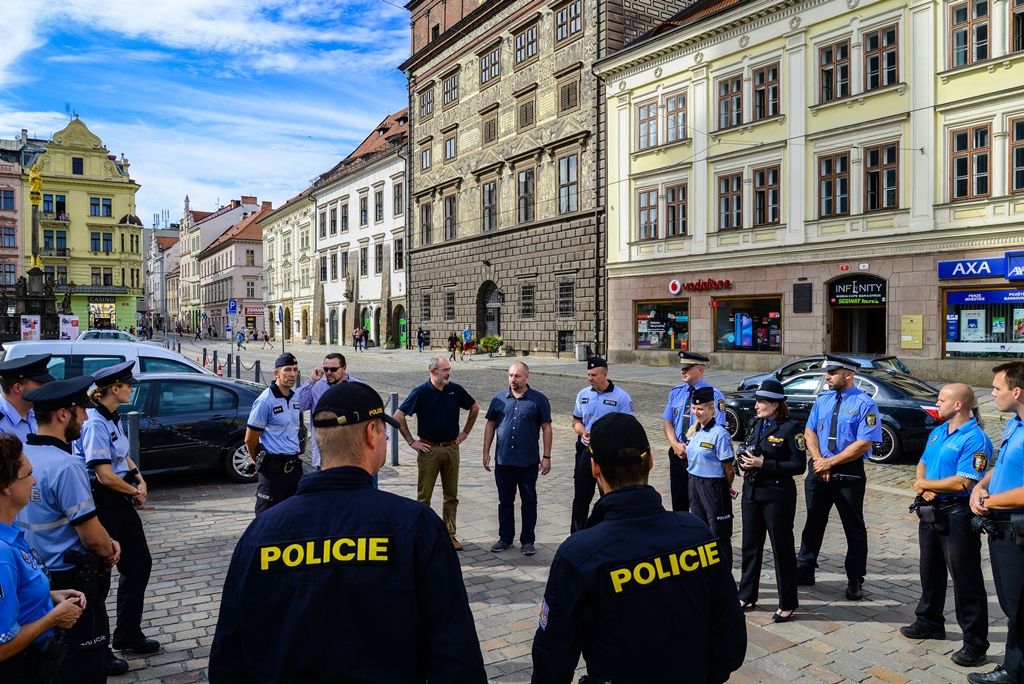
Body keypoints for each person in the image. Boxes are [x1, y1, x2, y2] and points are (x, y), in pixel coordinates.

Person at [208, 381, 487, 683]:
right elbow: (455, 654)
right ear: (372, 433)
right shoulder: (416, 525)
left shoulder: (261, 533)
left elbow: (228, 658)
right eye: (383, 430)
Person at [531, 413, 746, 683]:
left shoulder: (579, 555)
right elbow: (731, 645)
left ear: (594, 468)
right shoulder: (696, 533)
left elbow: (552, 660)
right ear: (651, 461)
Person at [19, 376, 121, 682]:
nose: (87, 417)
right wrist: (109, 547)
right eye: (81, 410)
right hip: (71, 581)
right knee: (86, 664)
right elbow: (91, 536)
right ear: (64, 414)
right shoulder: (66, 465)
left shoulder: (24, 454)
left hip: (35, 578)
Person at [74, 361, 160, 666]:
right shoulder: (95, 423)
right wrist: (133, 491)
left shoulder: (112, 417)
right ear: (113, 389)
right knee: (100, 576)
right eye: (128, 385)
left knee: (138, 564)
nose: (131, 388)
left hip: (120, 499)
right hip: (104, 502)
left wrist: (139, 477)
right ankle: (99, 647)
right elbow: (103, 475)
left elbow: (122, 455)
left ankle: (128, 633)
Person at [899, 383, 990, 669]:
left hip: (957, 515)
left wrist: (924, 485)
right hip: (931, 511)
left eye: (942, 400)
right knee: (930, 569)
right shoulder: (939, 431)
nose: (937, 404)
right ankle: (929, 621)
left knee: (966, 579)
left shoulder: (976, 439)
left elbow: (964, 481)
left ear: (959, 404)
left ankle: (975, 644)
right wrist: (923, 486)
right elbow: (922, 462)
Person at [0, 433, 86, 683]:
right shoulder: (2, 553)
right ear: (6, 486)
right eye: (27, 475)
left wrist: (49, 596)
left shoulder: (12, 533)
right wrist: (53, 618)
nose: (34, 481)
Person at [796, 355, 881, 601]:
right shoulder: (822, 399)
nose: (827, 376)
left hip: (848, 472)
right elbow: (810, 431)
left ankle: (855, 578)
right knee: (813, 521)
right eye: (827, 372)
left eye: (832, 372)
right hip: (819, 469)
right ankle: (805, 568)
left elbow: (865, 442)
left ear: (848, 374)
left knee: (853, 527)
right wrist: (818, 460)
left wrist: (829, 462)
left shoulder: (865, 403)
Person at [968, 362, 1024, 684]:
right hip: (1002, 526)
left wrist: (991, 502)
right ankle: (1014, 668)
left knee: (1019, 606)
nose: (991, 393)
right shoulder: (1015, 423)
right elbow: (1001, 465)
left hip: (1017, 526)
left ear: (1016, 392)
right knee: (1011, 602)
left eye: (996, 388)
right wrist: (981, 485)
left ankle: (1013, 671)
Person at [736, 379, 806, 622]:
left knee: (781, 549)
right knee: (750, 546)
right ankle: (747, 594)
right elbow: (747, 449)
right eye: (756, 401)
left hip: (777, 497)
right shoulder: (756, 423)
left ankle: (788, 602)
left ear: (776, 404)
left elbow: (798, 466)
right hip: (752, 492)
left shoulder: (791, 428)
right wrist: (742, 465)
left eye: (762, 401)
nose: (756, 405)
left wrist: (764, 463)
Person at [395, 356, 479, 551]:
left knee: (451, 495)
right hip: (429, 449)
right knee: (424, 497)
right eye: (444, 370)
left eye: (449, 369)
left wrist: (465, 432)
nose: (448, 373)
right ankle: (422, 536)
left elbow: (474, 408)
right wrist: (411, 441)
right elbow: (398, 416)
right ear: (433, 372)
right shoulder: (421, 392)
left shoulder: (455, 390)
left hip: (451, 448)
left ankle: (450, 535)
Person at [482, 362, 553, 556]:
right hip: (503, 460)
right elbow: (490, 425)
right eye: (511, 375)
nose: (513, 379)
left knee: (529, 500)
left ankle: (528, 540)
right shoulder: (499, 399)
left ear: (526, 377)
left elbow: (547, 427)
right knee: (505, 501)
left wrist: (546, 456)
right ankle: (505, 538)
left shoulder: (538, 400)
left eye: (517, 376)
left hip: (528, 461)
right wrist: (485, 451)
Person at [570, 358, 634, 533]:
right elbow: (576, 420)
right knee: (581, 496)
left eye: (594, 375)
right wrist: (582, 431)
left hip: (608, 454)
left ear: (605, 374)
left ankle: (612, 531)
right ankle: (576, 534)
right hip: (585, 451)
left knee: (609, 495)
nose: (590, 378)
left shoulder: (621, 397)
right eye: (588, 375)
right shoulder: (583, 394)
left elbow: (628, 426)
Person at [662, 351, 726, 512]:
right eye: (682, 368)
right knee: (679, 503)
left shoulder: (714, 395)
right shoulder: (676, 392)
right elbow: (668, 421)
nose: (682, 371)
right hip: (678, 453)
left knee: (703, 505)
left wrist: (692, 446)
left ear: (700, 370)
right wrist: (674, 444)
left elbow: (717, 428)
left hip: (700, 455)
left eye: (687, 368)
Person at [245, 353, 304, 515]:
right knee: (266, 515)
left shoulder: (295, 397)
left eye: (295, 370)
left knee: (293, 513)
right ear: (276, 373)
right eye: (287, 370)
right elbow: (250, 439)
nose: (292, 374)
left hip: (294, 467)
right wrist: (257, 460)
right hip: (272, 470)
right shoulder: (265, 401)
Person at [684, 386, 736, 569]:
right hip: (694, 482)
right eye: (694, 408)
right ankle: (705, 572)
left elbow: (729, 469)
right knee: (699, 530)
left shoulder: (720, 434)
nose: (697, 412)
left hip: (713, 485)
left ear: (712, 410)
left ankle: (723, 575)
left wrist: (723, 488)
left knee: (718, 533)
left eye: (701, 409)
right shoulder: (694, 431)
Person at [293, 353, 361, 472]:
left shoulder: (358, 387)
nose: (329, 372)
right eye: (326, 369)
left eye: (334, 369)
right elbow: (298, 406)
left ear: (344, 368)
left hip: (352, 457)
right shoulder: (317, 387)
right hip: (325, 458)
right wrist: (311, 381)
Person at [0, 354, 55, 442]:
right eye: (40, 385)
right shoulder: (2, 423)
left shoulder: (33, 414)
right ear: (18, 388)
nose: (45, 389)